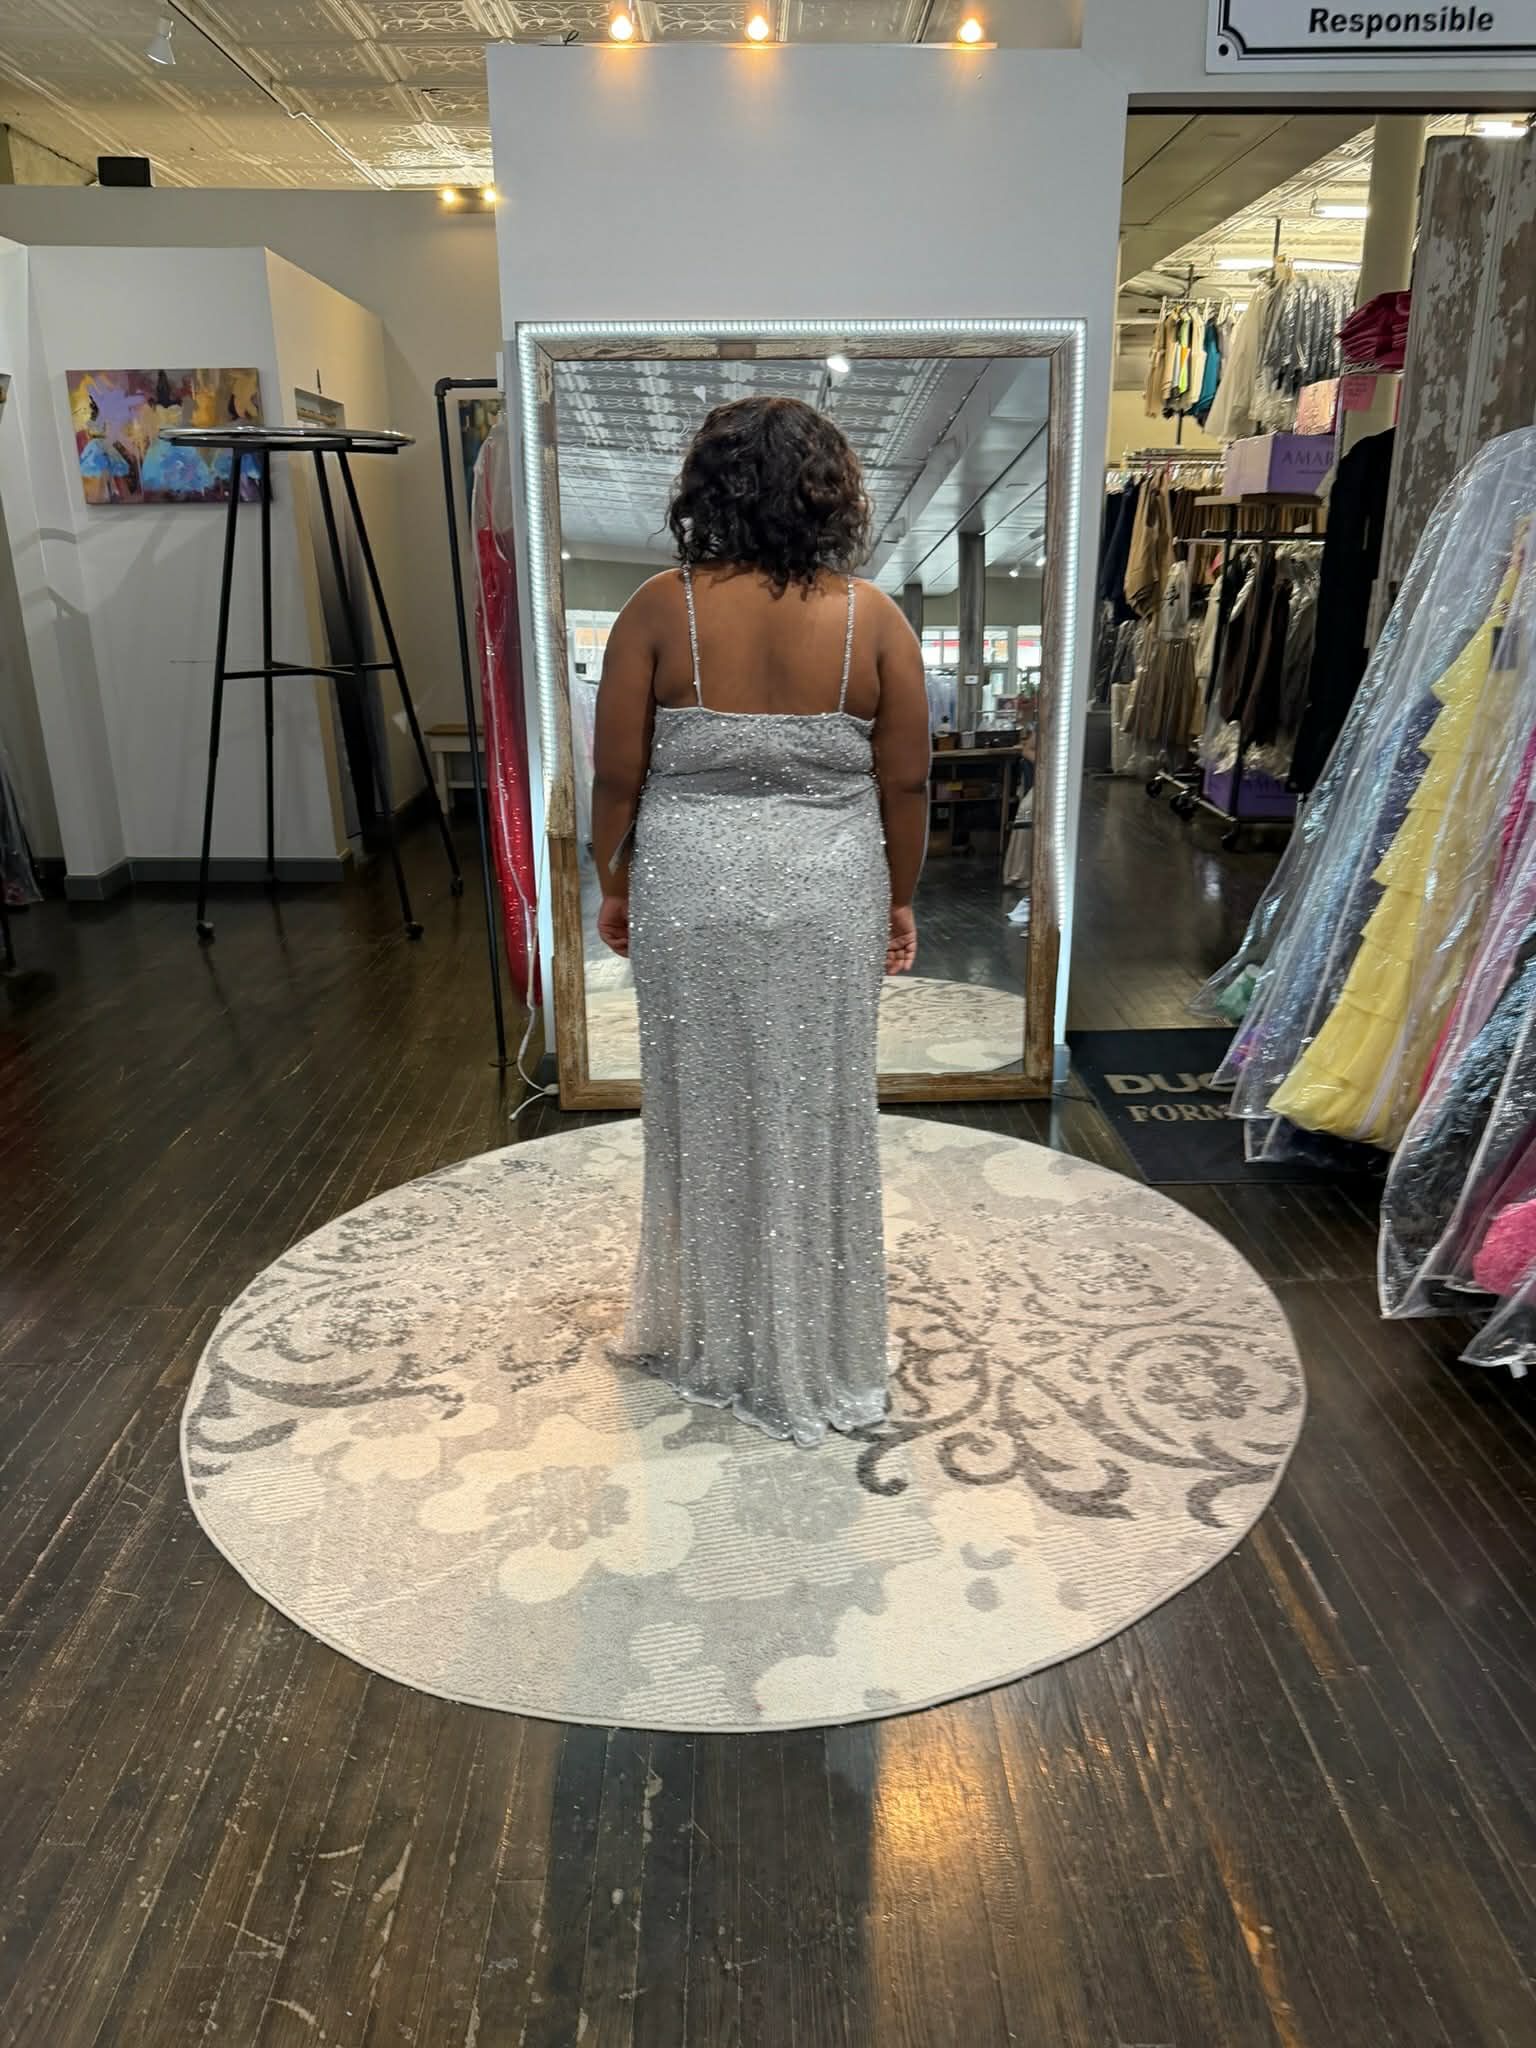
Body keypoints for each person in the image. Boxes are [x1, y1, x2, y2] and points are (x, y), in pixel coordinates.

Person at [590, 394, 931, 1447]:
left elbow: (615, 778)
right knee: (820, 1107)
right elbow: (907, 785)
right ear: (832, 496)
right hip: (831, 896)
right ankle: (818, 1335)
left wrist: (612, 879)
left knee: (702, 1107)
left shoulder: (659, 609)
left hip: (690, 892)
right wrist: (901, 896)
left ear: (709, 489)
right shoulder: (875, 619)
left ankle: (718, 1332)